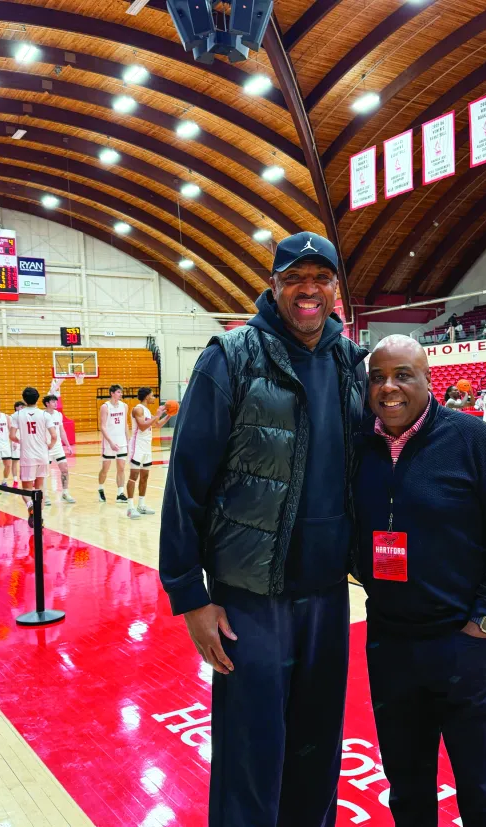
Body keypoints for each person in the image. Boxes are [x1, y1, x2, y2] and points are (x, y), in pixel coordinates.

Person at [160, 231, 367, 827]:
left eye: (321, 279)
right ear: (274, 286)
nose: (309, 290)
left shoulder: (351, 362)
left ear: (335, 290)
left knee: (317, 743)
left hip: (328, 593)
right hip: (250, 596)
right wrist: (190, 596)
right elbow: (185, 484)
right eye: (295, 278)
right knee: (251, 751)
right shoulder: (231, 357)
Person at [353, 334, 486, 827]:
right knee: (407, 790)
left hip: (463, 646)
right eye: (378, 378)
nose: (389, 388)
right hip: (390, 645)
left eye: (403, 375)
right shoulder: (359, 448)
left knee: (483, 791)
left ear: (429, 381)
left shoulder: (471, 439)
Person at [9, 387, 57, 528]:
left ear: (24, 399)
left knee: (26, 489)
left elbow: (12, 436)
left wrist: (21, 441)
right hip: (42, 455)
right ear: (37, 398)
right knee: (40, 487)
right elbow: (54, 436)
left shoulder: (17, 415)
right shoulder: (45, 415)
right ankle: (38, 516)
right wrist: (49, 446)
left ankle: (31, 507)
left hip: (27, 456)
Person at [126, 387, 168, 519]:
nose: (154, 397)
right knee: (134, 476)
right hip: (137, 446)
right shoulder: (137, 409)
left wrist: (169, 415)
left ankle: (141, 505)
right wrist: (157, 414)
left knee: (145, 477)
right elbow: (143, 426)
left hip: (146, 447)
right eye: (152, 395)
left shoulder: (147, 411)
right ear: (146, 397)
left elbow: (157, 425)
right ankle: (130, 507)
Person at [98, 384, 129, 504]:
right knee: (105, 469)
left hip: (121, 442)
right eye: (118, 392)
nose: (121, 394)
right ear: (112, 393)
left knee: (121, 468)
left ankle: (120, 493)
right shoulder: (105, 407)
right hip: (109, 443)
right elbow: (102, 426)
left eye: (121, 392)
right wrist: (110, 442)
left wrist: (128, 440)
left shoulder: (124, 406)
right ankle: (100, 489)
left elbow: (125, 424)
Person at [43, 395, 75, 504]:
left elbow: (62, 431)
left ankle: (65, 493)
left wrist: (68, 445)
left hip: (57, 447)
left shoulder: (58, 414)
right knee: (44, 473)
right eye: (53, 401)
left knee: (65, 469)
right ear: (47, 403)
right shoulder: (42, 415)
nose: (56, 403)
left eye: (56, 401)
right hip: (46, 447)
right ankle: (45, 495)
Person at [10, 401, 25, 487]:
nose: (22, 409)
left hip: (25, 441)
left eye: (23, 407)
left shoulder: (26, 416)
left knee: (25, 462)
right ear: (16, 407)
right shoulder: (12, 417)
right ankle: (15, 480)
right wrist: (13, 442)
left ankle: (25, 478)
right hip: (16, 441)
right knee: (15, 462)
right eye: (20, 407)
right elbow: (10, 431)